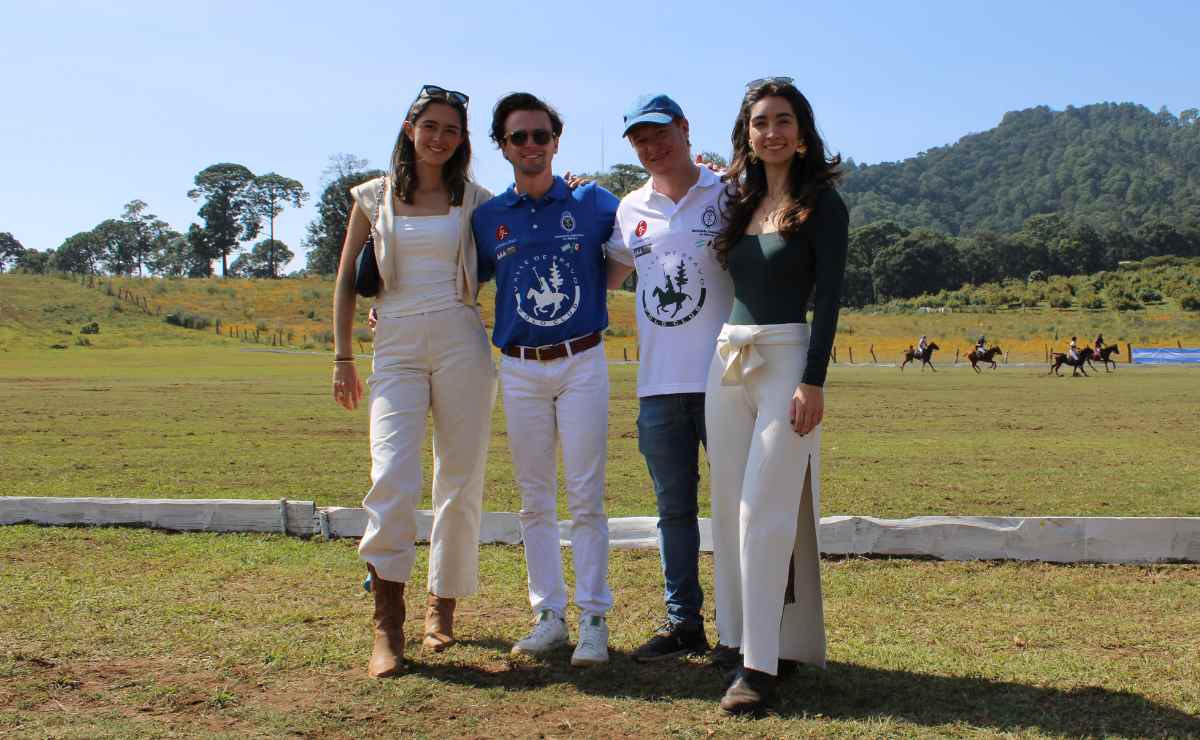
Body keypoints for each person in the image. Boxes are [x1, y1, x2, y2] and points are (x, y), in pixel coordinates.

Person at [331, 84, 498, 678]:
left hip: (460, 336)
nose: (439, 138)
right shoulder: (372, 197)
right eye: (430, 126)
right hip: (396, 341)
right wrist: (343, 357)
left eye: (451, 130)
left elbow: (525, 242)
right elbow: (348, 281)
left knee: (459, 477)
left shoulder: (478, 199)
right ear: (409, 129)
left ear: (462, 140)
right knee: (391, 475)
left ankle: (441, 606)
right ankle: (387, 626)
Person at [704, 77, 848, 714]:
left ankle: (759, 669)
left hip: (788, 359)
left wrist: (814, 380)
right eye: (761, 122)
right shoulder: (738, 202)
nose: (773, 131)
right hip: (728, 360)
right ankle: (743, 640)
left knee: (764, 513)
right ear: (749, 134)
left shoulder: (823, 205)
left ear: (803, 130)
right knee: (730, 507)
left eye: (783, 120)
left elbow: (832, 300)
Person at [472, 92, 619, 667]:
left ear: (556, 141)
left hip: (581, 360)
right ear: (502, 146)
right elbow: (458, 277)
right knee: (535, 501)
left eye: (540, 135)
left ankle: (594, 618)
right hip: (519, 367)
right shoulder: (489, 217)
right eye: (517, 137)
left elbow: (644, 236)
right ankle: (549, 615)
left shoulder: (593, 200)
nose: (530, 146)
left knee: (586, 496)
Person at [605, 93, 735, 662]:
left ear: (685, 128)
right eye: (639, 139)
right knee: (673, 513)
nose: (651, 146)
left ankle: (740, 627)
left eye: (659, 133)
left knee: (735, 508)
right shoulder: (629, 208)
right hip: (658, 387)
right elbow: (605, 276)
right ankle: (684, 624)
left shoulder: (730, 193)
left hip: (727, 380)